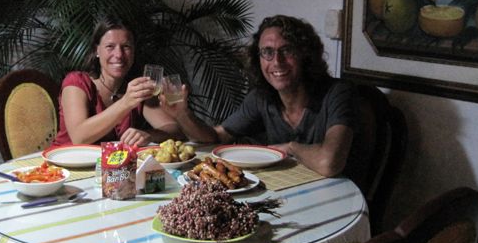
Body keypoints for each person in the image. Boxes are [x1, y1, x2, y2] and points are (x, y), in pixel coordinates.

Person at [160, 14, 363, 182]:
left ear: (304, 55)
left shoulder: (338, 93)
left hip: (339, 196)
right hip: (290, 188)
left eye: (287, 50)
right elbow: (215, 137)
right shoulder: (262, 97)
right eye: (267, 52)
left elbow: (329, 163)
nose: (277, 61)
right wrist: (182, 114)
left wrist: (291, 147)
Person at [52, 16, 182, 146]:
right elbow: (79, 137)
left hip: (109, 159)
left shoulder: (136, 88)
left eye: (126, 46)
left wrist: (149, 135)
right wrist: (126, 102)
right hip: (66, 158)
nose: (119, 54)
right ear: (97, 50)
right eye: (110, 46)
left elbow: (174, 129)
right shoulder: (77, 82)